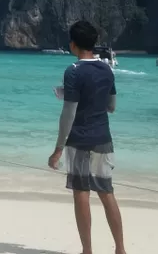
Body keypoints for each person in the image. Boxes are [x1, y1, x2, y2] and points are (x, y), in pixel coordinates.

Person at [48, 21, 126, 254]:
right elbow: (111, 106)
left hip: (80, 140)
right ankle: (120, 249)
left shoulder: (73, 71)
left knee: (81, 192)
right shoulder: (106, 69)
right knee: (106, 192)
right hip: (103, 137)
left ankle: (87, 251)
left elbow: (68, 114)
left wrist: (58, 148)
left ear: (73, 44)